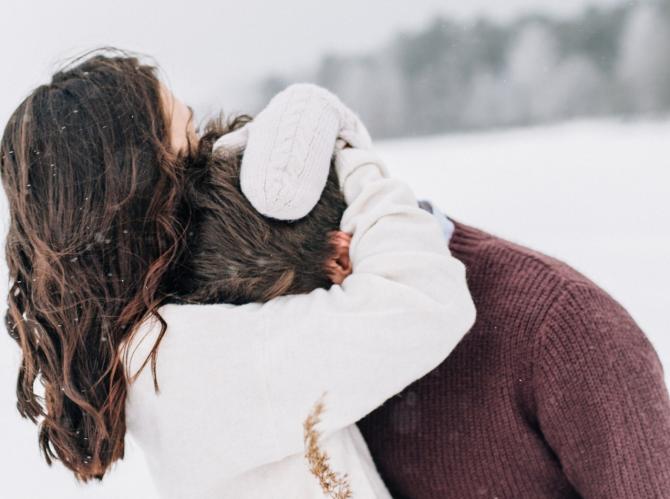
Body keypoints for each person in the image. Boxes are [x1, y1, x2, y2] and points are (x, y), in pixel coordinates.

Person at [0, 52, 476, 498]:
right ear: (144, 182)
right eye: (192, 135)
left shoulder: (150, 341)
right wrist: (347, 159)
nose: (217, 153)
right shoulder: (184, 358)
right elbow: (426, 302)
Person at [181, 97, 670, 497]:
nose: (286, 336)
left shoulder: (564, 329)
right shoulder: (293, 359)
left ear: (340, 259)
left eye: (289, 307)